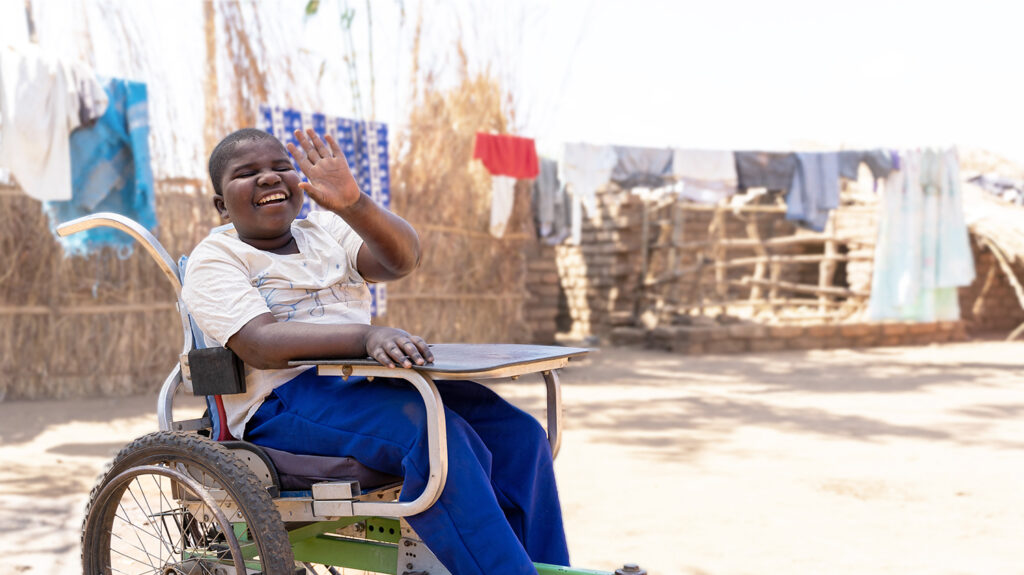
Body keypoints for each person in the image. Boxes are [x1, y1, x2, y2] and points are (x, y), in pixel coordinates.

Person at [181, 127, 569, 575]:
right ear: (221, 205)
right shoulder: (215, 258)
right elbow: (260, 344)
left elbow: (400, 260)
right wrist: (365, 337)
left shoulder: (323, 230)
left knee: (517, 433)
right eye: (247, 173)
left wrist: (353, 203)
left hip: (362, 381)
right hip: (283, 403)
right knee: (435, 439)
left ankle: (544, 567)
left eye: (280, 167)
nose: (269, 178)